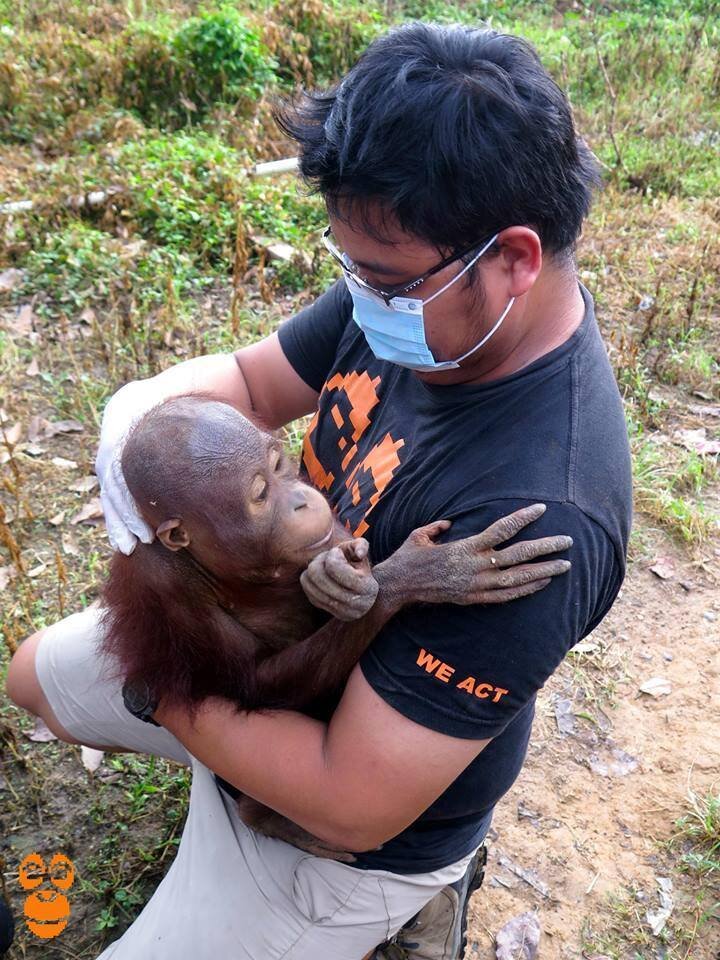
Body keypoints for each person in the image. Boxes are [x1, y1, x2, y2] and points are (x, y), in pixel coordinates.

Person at [6, 21, 632, 960]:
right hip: (254, 667)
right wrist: (136, 422)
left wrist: (168, 685)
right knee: (30, 678)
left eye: (378, 279)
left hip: (351, 826)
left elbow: (346, 802)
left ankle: (418, 896)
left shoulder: (546, 511)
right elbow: (254, 388)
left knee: (308, 819)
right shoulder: (414, 284)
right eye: (351, 268)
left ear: (512, 258)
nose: (360, 299)